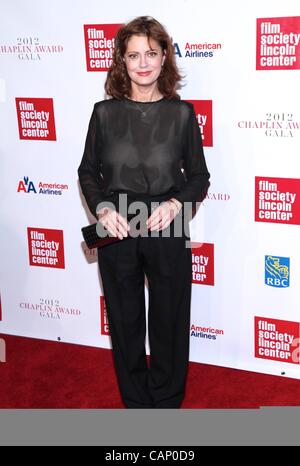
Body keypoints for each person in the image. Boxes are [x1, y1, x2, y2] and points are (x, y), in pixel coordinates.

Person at [77, 16, 210, 408]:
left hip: (168, 224)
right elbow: (87, 171)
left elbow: (199, 177)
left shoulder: (182, 114)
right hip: (117, 224)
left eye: (151, 53)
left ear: (164, 55)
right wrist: (102, 208)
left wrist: (175, 204)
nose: (143, 63)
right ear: (122, 60)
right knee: (125, 318)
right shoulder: (103, 113)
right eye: (133, 55)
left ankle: (166, 402)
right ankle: (136, 403)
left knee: (169, 317)